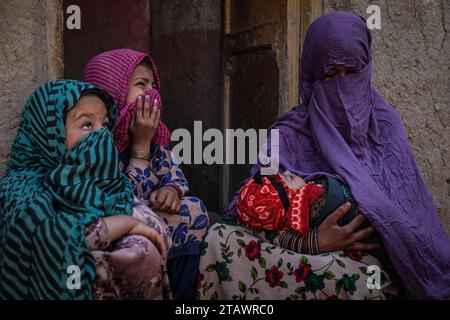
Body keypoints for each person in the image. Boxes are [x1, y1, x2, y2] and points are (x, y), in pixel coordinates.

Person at [199, 12, 450, 300]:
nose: (343, 89)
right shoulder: (286, 135)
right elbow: (249, 209)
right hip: (301, 253)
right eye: (330, 76)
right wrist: (312, 242)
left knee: (359, 282)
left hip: (375, 268)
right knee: (221, 237)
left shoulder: (384, 125)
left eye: (351, 73)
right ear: (311, 79)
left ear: (365, 72)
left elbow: (411, 217)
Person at [0, 80, 172, 299]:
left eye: (105, 125)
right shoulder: (20, 191)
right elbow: (51, 242)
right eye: (87, 125)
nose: (101, 135)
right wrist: (123, 224)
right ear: (51, 134)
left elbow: (155, 229)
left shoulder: (108, 183)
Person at [83, 49, 209, 299]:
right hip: (119, 224)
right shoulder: (96, 142)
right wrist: (139, 146)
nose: (151, 93)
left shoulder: (156, 139)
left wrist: (171, 189)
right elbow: (123, 200)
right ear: (112, 91)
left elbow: (173, 174)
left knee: (196, 210)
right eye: (141, 84)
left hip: (153, 221)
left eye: (153, 85)